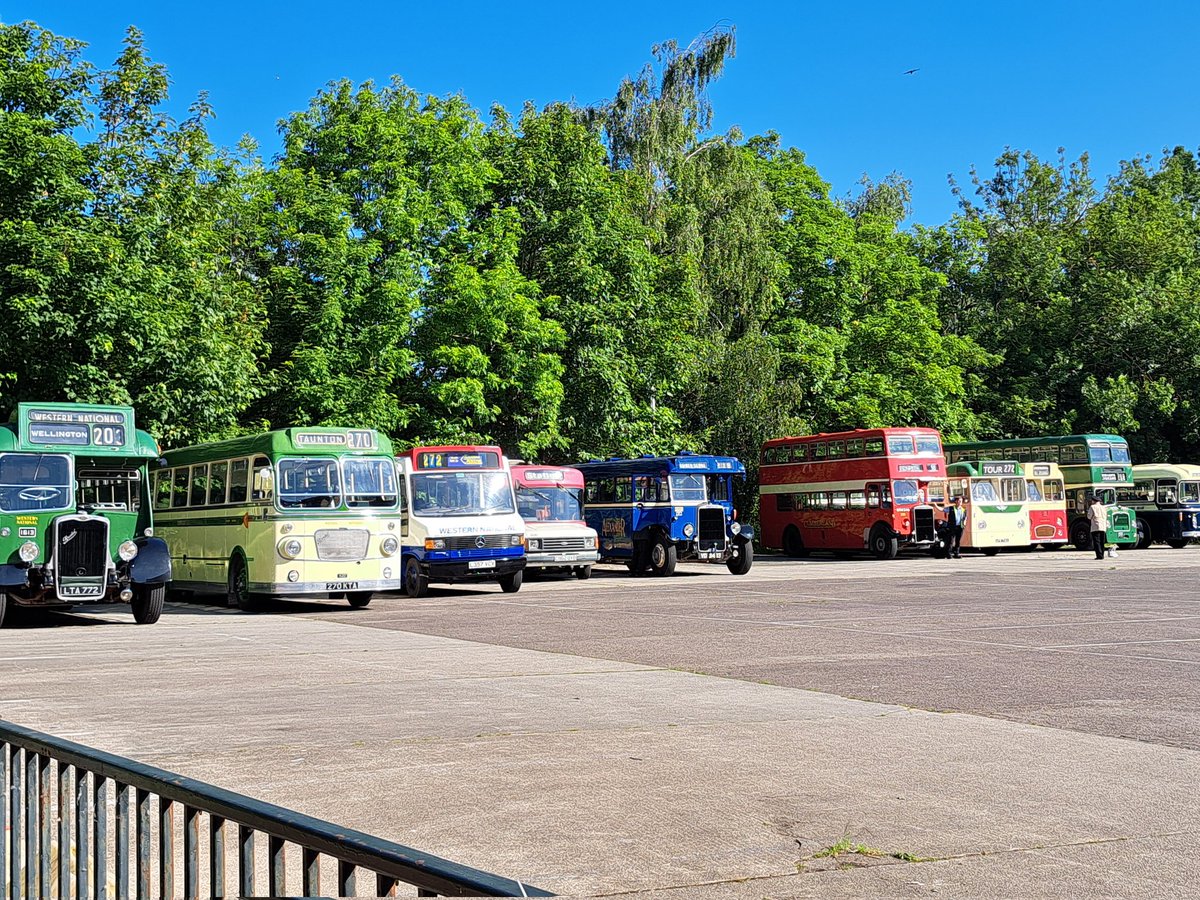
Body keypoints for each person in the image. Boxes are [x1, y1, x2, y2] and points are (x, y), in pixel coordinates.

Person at [1087, 494, 1108, 560]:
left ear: (1093, 501)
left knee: (1096, 541)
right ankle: (1102, 555)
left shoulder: (1092, 507)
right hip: (1103, 526)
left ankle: (1099, 555)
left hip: (1096, 526)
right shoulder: (1104, 507)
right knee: (1102, 541)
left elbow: (1089, 516)